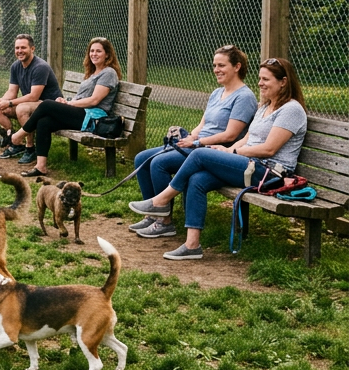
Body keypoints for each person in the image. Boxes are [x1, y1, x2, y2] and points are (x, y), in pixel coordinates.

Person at [128, 57, 307, 261]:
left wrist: (231, 153)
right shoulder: (265, 106)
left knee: (199, 153)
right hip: (249, 165)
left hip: (269, 173)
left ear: (283, 81)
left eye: (266, 79)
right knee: (197, 179)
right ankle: (192, 245)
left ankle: (161, 200)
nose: (260, 83)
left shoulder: (291, 109)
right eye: (259, 78)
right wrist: (226, 149)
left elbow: (269, 149)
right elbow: (247, 139)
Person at [130, 45, 257, 237]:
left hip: (213, 151)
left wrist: (197, 143)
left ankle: (165, 222)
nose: (216, 69)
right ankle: (152, 214)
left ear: (237, 67)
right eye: (214, 65)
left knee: (159, 163)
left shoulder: (244, 97)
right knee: (142, 158)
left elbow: (230, 135)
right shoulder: (216, 93)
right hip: (197, 145)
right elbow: (202, 124)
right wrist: (189, 137)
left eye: (221, 65)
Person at [9, 36, 121, 178]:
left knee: (47, 104)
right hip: (82, 113)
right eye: (91, 51)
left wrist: (69, 104)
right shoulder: (93, 73)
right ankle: (41, 167)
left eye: (98, 51)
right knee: (45, 121)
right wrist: (67, 101)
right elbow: (82, 97)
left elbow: (94, 100)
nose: (94, 54)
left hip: (94, 117)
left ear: (107, 55)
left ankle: (20, 134)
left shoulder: (108, 73)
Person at [0, 33, 63, 164]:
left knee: (22, 109)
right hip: (33, 104)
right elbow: (12, 91)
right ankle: (14, 142)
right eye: (17, 48)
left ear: (32, 49)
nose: (19, 51)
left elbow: (34, 96)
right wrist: (2, 102)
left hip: (51, 106)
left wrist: (10, 102)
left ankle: (30, 148)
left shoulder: (40, 67)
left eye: (23, 48)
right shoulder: (15, 66)